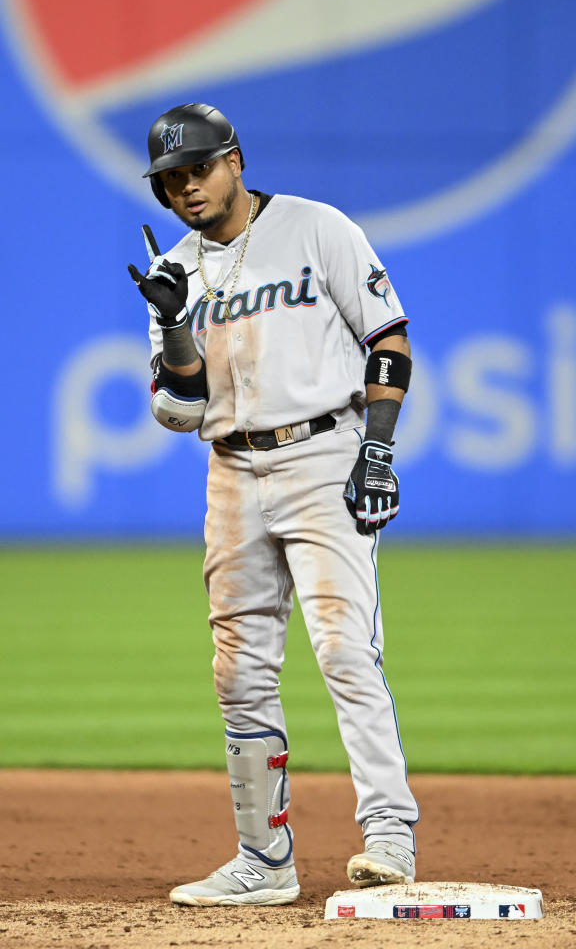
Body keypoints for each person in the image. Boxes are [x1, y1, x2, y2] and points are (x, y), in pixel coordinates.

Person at [128, 103, 419, 907]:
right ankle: (264, 860)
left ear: (236, 160)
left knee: (344, 649)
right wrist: (171, 322)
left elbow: (388, 337)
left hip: (326, 452)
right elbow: (181, 409)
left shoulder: (316, 228)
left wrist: (379, 449)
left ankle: (390, 834)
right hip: (231, 469)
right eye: (171, 179)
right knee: (239, 672)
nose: (186, 187)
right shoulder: (174, 270)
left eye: (199, 168)